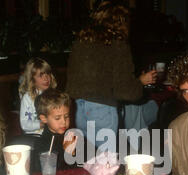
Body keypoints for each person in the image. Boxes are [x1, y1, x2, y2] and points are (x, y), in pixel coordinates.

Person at [65, 1, 157, 150]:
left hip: (76, 109)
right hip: (102, 110)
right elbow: (125, 91)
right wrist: (140, 83)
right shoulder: (118, 44)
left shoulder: (82, 40)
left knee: (84, 159)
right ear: (121, 21)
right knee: (106, 165)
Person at [33, 89, 78, 172]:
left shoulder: (72, 136)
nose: (64, 122)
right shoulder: (41, 144)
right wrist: (68, 153)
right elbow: (46, 173)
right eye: (57, 118)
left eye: (66, 116)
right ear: (44, 118)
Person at [18, 57, 57, 135]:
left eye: (47, 74)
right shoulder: (28, 98)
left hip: (51, 134)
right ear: (32, 79)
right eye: (41, 75)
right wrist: (42, 124)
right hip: (34, 135)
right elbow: (25, 124)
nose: (46, 78)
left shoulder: (54, 94)